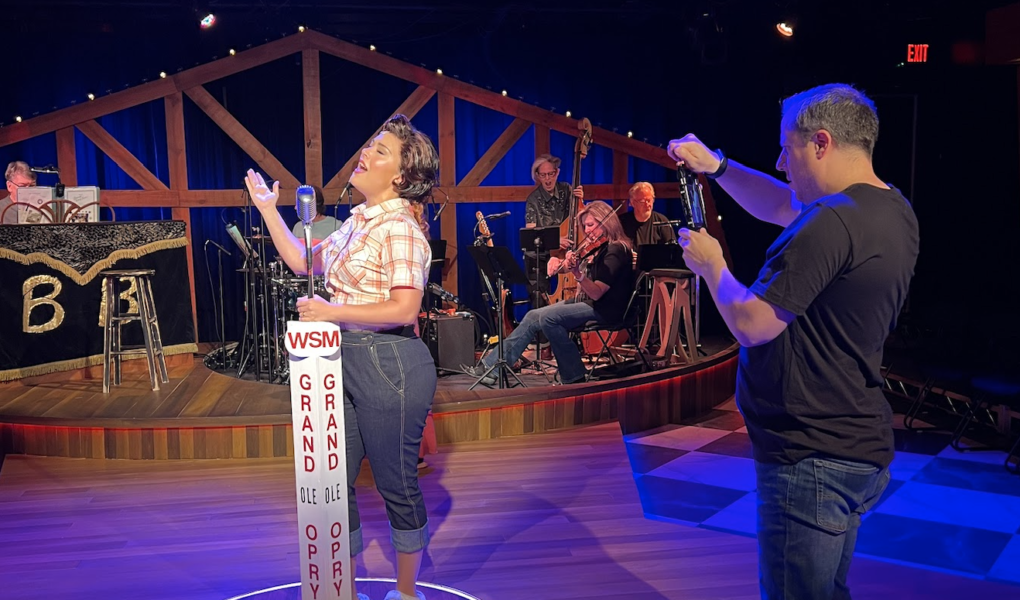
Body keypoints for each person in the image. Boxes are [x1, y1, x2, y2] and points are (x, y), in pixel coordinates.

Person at [667, 84, 919, 599]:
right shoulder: (890, 208)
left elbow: (752, 323)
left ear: (821, 143)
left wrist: (713, 266)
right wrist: (719, 167)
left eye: (788, 148)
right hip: (855, 440)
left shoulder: (830, 223)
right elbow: (783, 202)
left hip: (811, 455)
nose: (781, 163)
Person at [244, 114, 439, 600]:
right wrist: (268, 208)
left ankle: (407, 593)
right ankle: (342, 590)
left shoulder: (399, 228)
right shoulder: (357, 222)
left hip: (391, 363)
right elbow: (301, 260)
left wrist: (332, 311)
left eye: (380, 150)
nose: (365, 153)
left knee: (396, 483)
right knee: (334, 483)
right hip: (343, 358)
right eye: (369, 144)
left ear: (401, 176)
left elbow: (405, 308)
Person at [464, 201, 633, 385]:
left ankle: (574, 375)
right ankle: (491, 367)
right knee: (533, 315)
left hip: (606, 309)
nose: (587, 231)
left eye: (590, 225)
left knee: (549, 318)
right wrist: (558, 262)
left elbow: (597, 293)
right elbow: (571, 267)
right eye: (584, 226)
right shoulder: (600, 248)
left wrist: (578, 274)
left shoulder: (616, 250)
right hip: (589, 303)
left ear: (606, 222)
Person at [522, 154, 584, 305]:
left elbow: (581, 217)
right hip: (540, 258)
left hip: (563, 255)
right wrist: (555, 240)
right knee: (540, 302)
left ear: (557, 172)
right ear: (537, 176)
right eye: (543, 175)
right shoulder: (533, 200)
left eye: (551, 174)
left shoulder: (566, 190)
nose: (548, 179)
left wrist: (581, 200)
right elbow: (531, 236)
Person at [618, 181, 677, 246]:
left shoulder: (662, 221)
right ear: (633, 203)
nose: (647, 204)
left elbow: (671, 248)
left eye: (649, 200)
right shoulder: (622, 222)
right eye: (642, 201)